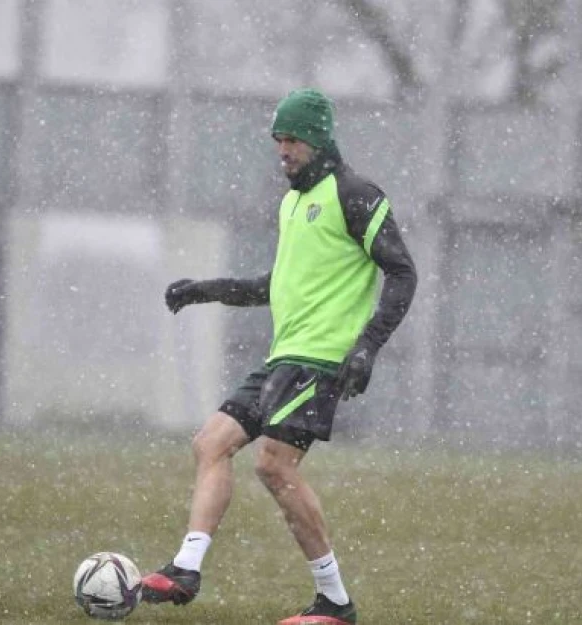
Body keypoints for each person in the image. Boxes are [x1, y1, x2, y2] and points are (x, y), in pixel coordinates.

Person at [141, 88, 417, 625]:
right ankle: (185, 569)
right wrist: (205, 289)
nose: (283, 150)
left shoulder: (356, 194)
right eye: (278, 140)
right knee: (211, 443)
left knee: (273, 465)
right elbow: (276, 285)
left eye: (292, 139)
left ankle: (334, 602)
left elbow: (403, 271)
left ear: (318, 139)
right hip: (284, 356)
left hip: (320, 359)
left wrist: (367, 346)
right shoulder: (293, 203)